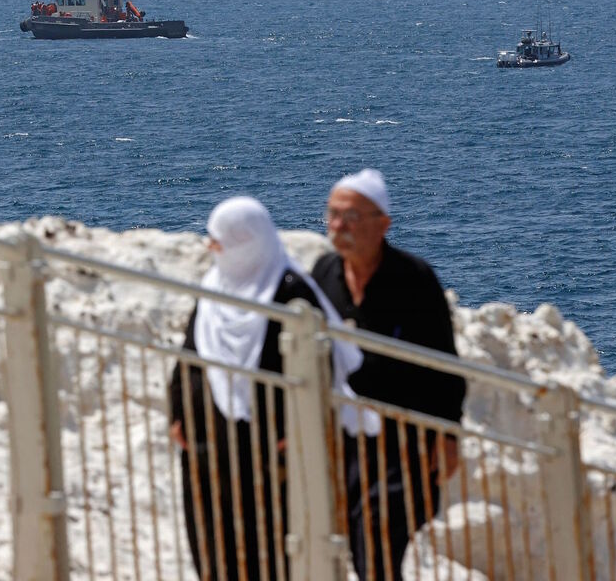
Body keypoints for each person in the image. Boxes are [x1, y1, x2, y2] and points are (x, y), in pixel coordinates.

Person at [169, 196, 365, 581]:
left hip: (269, 451)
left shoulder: (291, 294)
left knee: (269, 548)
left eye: (221, 242)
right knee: (212, 543)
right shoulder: (215, 286)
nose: (213, 249)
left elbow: (318, 365)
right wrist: (178, 413)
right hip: (208, 445)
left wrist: (298, 429)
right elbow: (188, 355)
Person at [310, 169, 466, 581]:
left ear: (383, 225)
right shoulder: (323, 273)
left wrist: (449, 435)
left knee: (378, 542)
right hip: (345, 441)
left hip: (405, 442)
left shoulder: (414, 280)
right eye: (333, 215)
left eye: (351, 217)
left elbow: (446, 364)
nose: (339, 226)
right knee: (363, 547)